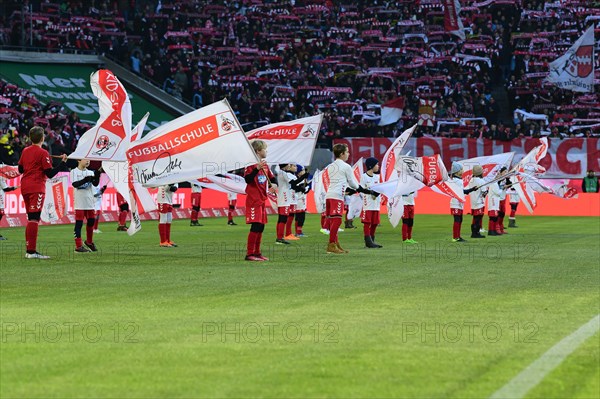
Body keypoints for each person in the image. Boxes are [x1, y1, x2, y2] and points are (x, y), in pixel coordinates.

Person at [18, 126, 67, 259]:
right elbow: (50, 174)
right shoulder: (43, 152)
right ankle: (32, 252)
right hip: (36, 187)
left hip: (25, 187)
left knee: (31, 218)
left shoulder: (25, 150)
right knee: (34, 218)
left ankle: (30, 250)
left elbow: (20, 169)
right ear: (42, 138)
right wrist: (62, 163)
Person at [324, 143, 360, 254]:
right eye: (347, 152)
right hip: (337, 196)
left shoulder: (330, 166)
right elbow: (352, 183)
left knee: (333, 221)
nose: (349, 154)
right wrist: (360, 188)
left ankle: (336, 244)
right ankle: (331, 244)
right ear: (342, 153)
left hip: (329, 195)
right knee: (337, 220)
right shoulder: (346, 166)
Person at [244, 140, 277, 261]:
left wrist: (273, 185)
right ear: (258, 151)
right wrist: (256, 169)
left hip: (262, 200)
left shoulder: (265, 165)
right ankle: (249, 254)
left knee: (261, 226)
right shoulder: (250, 165)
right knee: (256, 225)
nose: (266, 151)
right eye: (265, 149)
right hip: (253, 200)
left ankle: (257, 253)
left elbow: (272, 178)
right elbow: (247, 179)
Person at [71, 160, 102, 252]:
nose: (88, 161)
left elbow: (95, 183)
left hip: (89, 201)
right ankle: (78, 246)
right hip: (79, 202)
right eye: (86, 159)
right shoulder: (74, 171)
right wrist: (85, 179)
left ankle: (89, 242)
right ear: (79, 160)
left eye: (89, 160)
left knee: (91, 221)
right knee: (79, 223)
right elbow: (75, 184)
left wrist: (97, 175)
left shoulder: (90, 172)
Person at [360, 157, 382, 248]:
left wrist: (377, 193)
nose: (378, 166)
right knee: (367, 223)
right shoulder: (363, 177)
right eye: (376, 164)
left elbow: (381, 188)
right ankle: (368, 242)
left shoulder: (378, 177)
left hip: (376, 204)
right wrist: (371, 193)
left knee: (375, 223)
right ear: (371, 166)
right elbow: (361, 190)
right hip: (367, 204)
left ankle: (372, 241)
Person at [275, 163, 297, 244]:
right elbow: (293, 183)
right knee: (283, 218)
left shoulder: (281, 172)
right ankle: (280, 238)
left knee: (281, 218)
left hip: (283, 197)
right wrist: (303, 177)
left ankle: (279, 237)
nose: (289, 165)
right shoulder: (283, 173)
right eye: (288, 164)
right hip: (284, 197)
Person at [468, 165, 488, 238]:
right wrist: (487, 190)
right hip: (479, 202)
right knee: (478, 218)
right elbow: (484, 193)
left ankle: (474, 232)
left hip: (473, 201)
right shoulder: (481, 181)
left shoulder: (471, 180)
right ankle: (476, 233)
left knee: (475, 218)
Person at [294, 165, 310, 237]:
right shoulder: (297, 179)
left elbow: (306, 190)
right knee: (301, 216)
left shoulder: (303, 180)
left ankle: (298, 231)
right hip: (299, 200)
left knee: (299, 216)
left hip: (302, 199)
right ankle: (298, 231)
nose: (304, 172)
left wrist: (307, 187)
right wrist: (304, 188)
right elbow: (299, 189)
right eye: (302, 171)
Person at [0, 175, 17, 240]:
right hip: (0, 197)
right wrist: (14, 187)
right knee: (0, 213)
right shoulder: (1, 177)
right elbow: (5, 188)